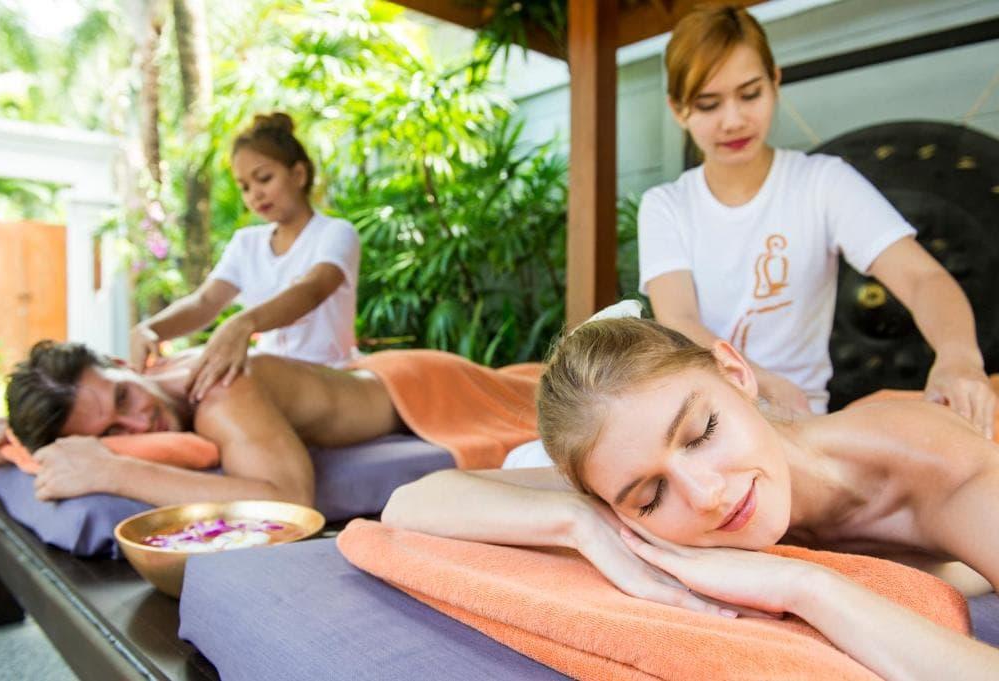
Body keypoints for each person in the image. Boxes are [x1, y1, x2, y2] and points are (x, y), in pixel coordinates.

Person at [380, 313, 999, 679]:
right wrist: (578, 523)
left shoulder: (939, 469)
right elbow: (410, 502)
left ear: (735, 373)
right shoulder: (618, 482)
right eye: (650, 498)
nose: (706, 496)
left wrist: (806, 587)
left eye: (703, 433)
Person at [637, 5, 994, 435]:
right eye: (708, 104)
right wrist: (759, 381)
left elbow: (923, 279)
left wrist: (958, 358)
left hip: (801, 422)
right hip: (707, 423)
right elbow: (678, 320)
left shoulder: (822, 182)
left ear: (775, 82)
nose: (733, 120)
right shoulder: (667, 205)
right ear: (678, 109)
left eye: (750, 94)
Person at [0, 339, 398, 507]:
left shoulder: (222, 394)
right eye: (111, 434)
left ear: (124, 364)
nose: (139, 424)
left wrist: (113, 470)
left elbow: (290, 501)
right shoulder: (151, 383)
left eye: (123, 396)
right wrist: (9, 442)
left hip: (410, 392)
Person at [130, 112, 361, 403]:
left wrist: (244, 323)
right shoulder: (246, 243)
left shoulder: (335, 233)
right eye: (245, 187)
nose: (255, 194)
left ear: (298, 175)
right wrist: (149, 329)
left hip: (328, 381)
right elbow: (205, 302)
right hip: (269, 376)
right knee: (176, 374)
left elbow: (311, 290)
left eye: (264, 178)